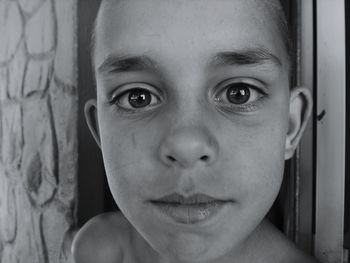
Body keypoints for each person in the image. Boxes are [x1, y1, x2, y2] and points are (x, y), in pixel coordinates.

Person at [72, 0, 318, 262]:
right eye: (137, 97)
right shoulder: (99, 249)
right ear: (101, 132)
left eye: (238, 94)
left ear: (290, 127)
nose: (186, 146)